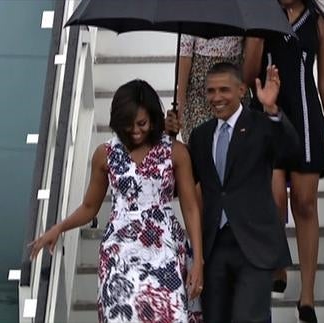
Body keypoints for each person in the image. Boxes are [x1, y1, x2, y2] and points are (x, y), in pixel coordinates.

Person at [29, 80, 204, 322]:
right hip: (119, 254)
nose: (135, 131)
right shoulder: (105, 154)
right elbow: (90, 207)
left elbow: (191, 209)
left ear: (154, 118)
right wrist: (59, 227)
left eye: (142, 123)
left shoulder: (176, 151)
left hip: (165, 249)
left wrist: (198, 262)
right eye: (127, 125)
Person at [167, 62, 300, 322]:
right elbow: (178, 184)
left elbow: (291, 149)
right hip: (213, 248)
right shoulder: (201, 136)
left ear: (241, 90)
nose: (216, 98)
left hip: (254, 245)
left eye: (224, 90)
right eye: (211, 91)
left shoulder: (262, 125)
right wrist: (168, 140)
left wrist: (272, 110)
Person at [243, 0, 324, 322]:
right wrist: (255, 38)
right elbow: (246, 75)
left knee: (306, 202)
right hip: (268, 112)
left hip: (307, 117)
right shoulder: (262, 16)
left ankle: (307, 296)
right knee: (272, 199)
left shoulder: (320, 23)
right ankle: (278, 261)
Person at [177, 35, 246, 143]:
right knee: (201, 143)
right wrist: (180, 103)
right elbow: (185, 55)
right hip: (199, 94)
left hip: (231, 88)